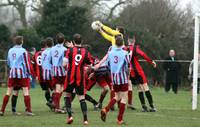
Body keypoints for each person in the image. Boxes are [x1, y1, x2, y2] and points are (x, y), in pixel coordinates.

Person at [63, 33, 93, 125]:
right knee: (81, 98)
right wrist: (88, 72)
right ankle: (85, 120)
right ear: (82, 41)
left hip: (70, 77)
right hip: (80, 77)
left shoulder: (69, 51)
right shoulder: (86, 52)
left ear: (73, 41)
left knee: (67, 95)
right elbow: (90, 65)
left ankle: (70, 116)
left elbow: (64, 64)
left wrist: (67, 69)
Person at [0, 36, 34, 116]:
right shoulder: (24, 51)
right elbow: (26, 64)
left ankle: (2, 111)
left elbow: (8, 62)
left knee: (9, 91)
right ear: (22, 42)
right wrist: (29, 74)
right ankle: (28, 111)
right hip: (22, 74)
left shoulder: (10, 50)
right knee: (25, 91)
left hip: (12, 73)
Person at [99, 36, 129, 125]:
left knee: (117, 96)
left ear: (115, 43)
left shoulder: (110, 53)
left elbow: (107, 64)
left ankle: (105, 109)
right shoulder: (125, 53)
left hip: (114, 77)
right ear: (122, 43)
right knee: (124, 98)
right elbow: (127, 65)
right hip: (122, 78)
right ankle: (119, 119)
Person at [127, 32, 157, 112]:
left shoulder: (125, 48)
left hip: (131, 72)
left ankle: (144, 107)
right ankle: (152, 106)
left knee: (139, 88)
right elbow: (143, 54)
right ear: (134, 41)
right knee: (145, 87)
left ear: (128, 41)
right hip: (138, 70)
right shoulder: (135, 48)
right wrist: (151, 62)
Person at [50, 33, 67, 113]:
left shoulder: (52, 49)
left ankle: (56, 106)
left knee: (57, 88)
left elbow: (50, 60)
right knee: (63, 88)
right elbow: (65, 62)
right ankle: (57, 106)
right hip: (62, 71)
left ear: (56, 40)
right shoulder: (64, 49)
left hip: (54, 70)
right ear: (64, 40)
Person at [40, 38, 54, 109]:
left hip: (44, 73)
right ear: (52, 43)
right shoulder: (52, 51)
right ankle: (50, 102)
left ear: (46, 44)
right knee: (57, 89)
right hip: (50, 72)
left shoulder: (43, 52)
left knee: (47, 89)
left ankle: (51, 103)